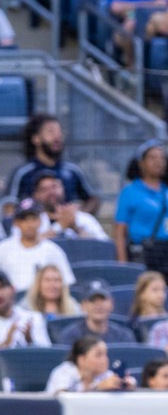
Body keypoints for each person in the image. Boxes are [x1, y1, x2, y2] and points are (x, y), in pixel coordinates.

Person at [6, 114, 98, 214]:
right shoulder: (23, 173)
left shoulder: (73, 170)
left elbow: (93, 199)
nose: (57, 136)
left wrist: (79, 216)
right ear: (36, 139)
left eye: (59, 132)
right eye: (50, 132)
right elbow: (8, 205)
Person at [0, 198, 75, 292]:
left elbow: (67, 282)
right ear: (16, 223)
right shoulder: (3, 248)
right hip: (10, 303)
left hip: (41, 304)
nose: (30, 224)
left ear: (40, 221)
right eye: (24, 219)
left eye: (34, 219)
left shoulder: (53, 250)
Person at [113, 139, 168, 271]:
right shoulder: (130, 191)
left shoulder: (165, 190)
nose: (158, 162)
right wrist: (123, 264)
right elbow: (120, 231)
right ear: (141, 163)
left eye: (162, 158)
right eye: (152, 157)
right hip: (144, 253)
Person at [104, 0, 167, 67]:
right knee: (131, 25)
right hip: (126, 25)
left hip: (155, 22)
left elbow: (162, 3)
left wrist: (131, 7)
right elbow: (115, 7)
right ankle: (132, 70)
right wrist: (148, 5)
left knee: (158, 19)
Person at [28, 171, 109, 240]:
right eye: (44, 189)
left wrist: (75, 228)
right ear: (36, 195)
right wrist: (60, 226)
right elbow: (26, 246)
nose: (51, 192)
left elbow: (103, 245)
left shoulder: (84, 219)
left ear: (63, 188)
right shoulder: (30, 222)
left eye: (54, 187)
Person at [55, 279, 137, 346]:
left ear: (111, 304)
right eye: (92, 300)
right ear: (83, 306)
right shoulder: (70, 336)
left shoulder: (123, 337)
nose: (98, 305)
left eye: (103, 300)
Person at [45, 335, 136, 393]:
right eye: (98, 355)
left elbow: (129, 381)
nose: (105, 359)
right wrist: (96, 389)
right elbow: (63, 398)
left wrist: (126, 385)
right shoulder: (64, 371)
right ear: (81, 359)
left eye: (105, 354)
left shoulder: (105, 375)